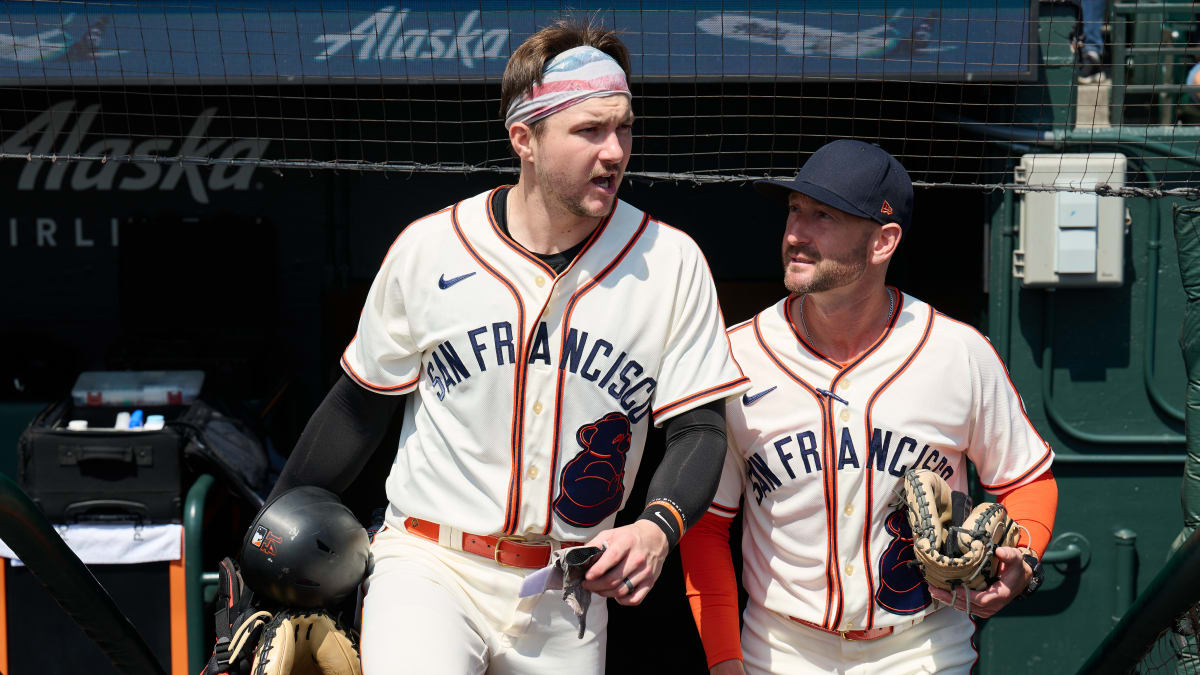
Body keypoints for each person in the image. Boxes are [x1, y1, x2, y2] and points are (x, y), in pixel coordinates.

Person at [263, 17, 750, 675]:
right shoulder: (431, 247)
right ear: (524, 137)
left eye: (624, 127)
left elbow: (699, 430)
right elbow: (359, 409)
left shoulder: (671, 262)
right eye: (588, 131)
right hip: (432, 564)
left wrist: (655, 526)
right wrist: (266, 536)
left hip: (565, 592)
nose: (614, 151)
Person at [679, 139, 1059, 674]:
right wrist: (723, 658)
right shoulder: (736, 357)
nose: (796, 234)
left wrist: (1021, 555)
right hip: (782, 647)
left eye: (824, 217)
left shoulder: (956, 353)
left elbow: (1026, 480)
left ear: (883, 242)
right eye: (794, 211)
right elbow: (707, 524)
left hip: (922, 646)